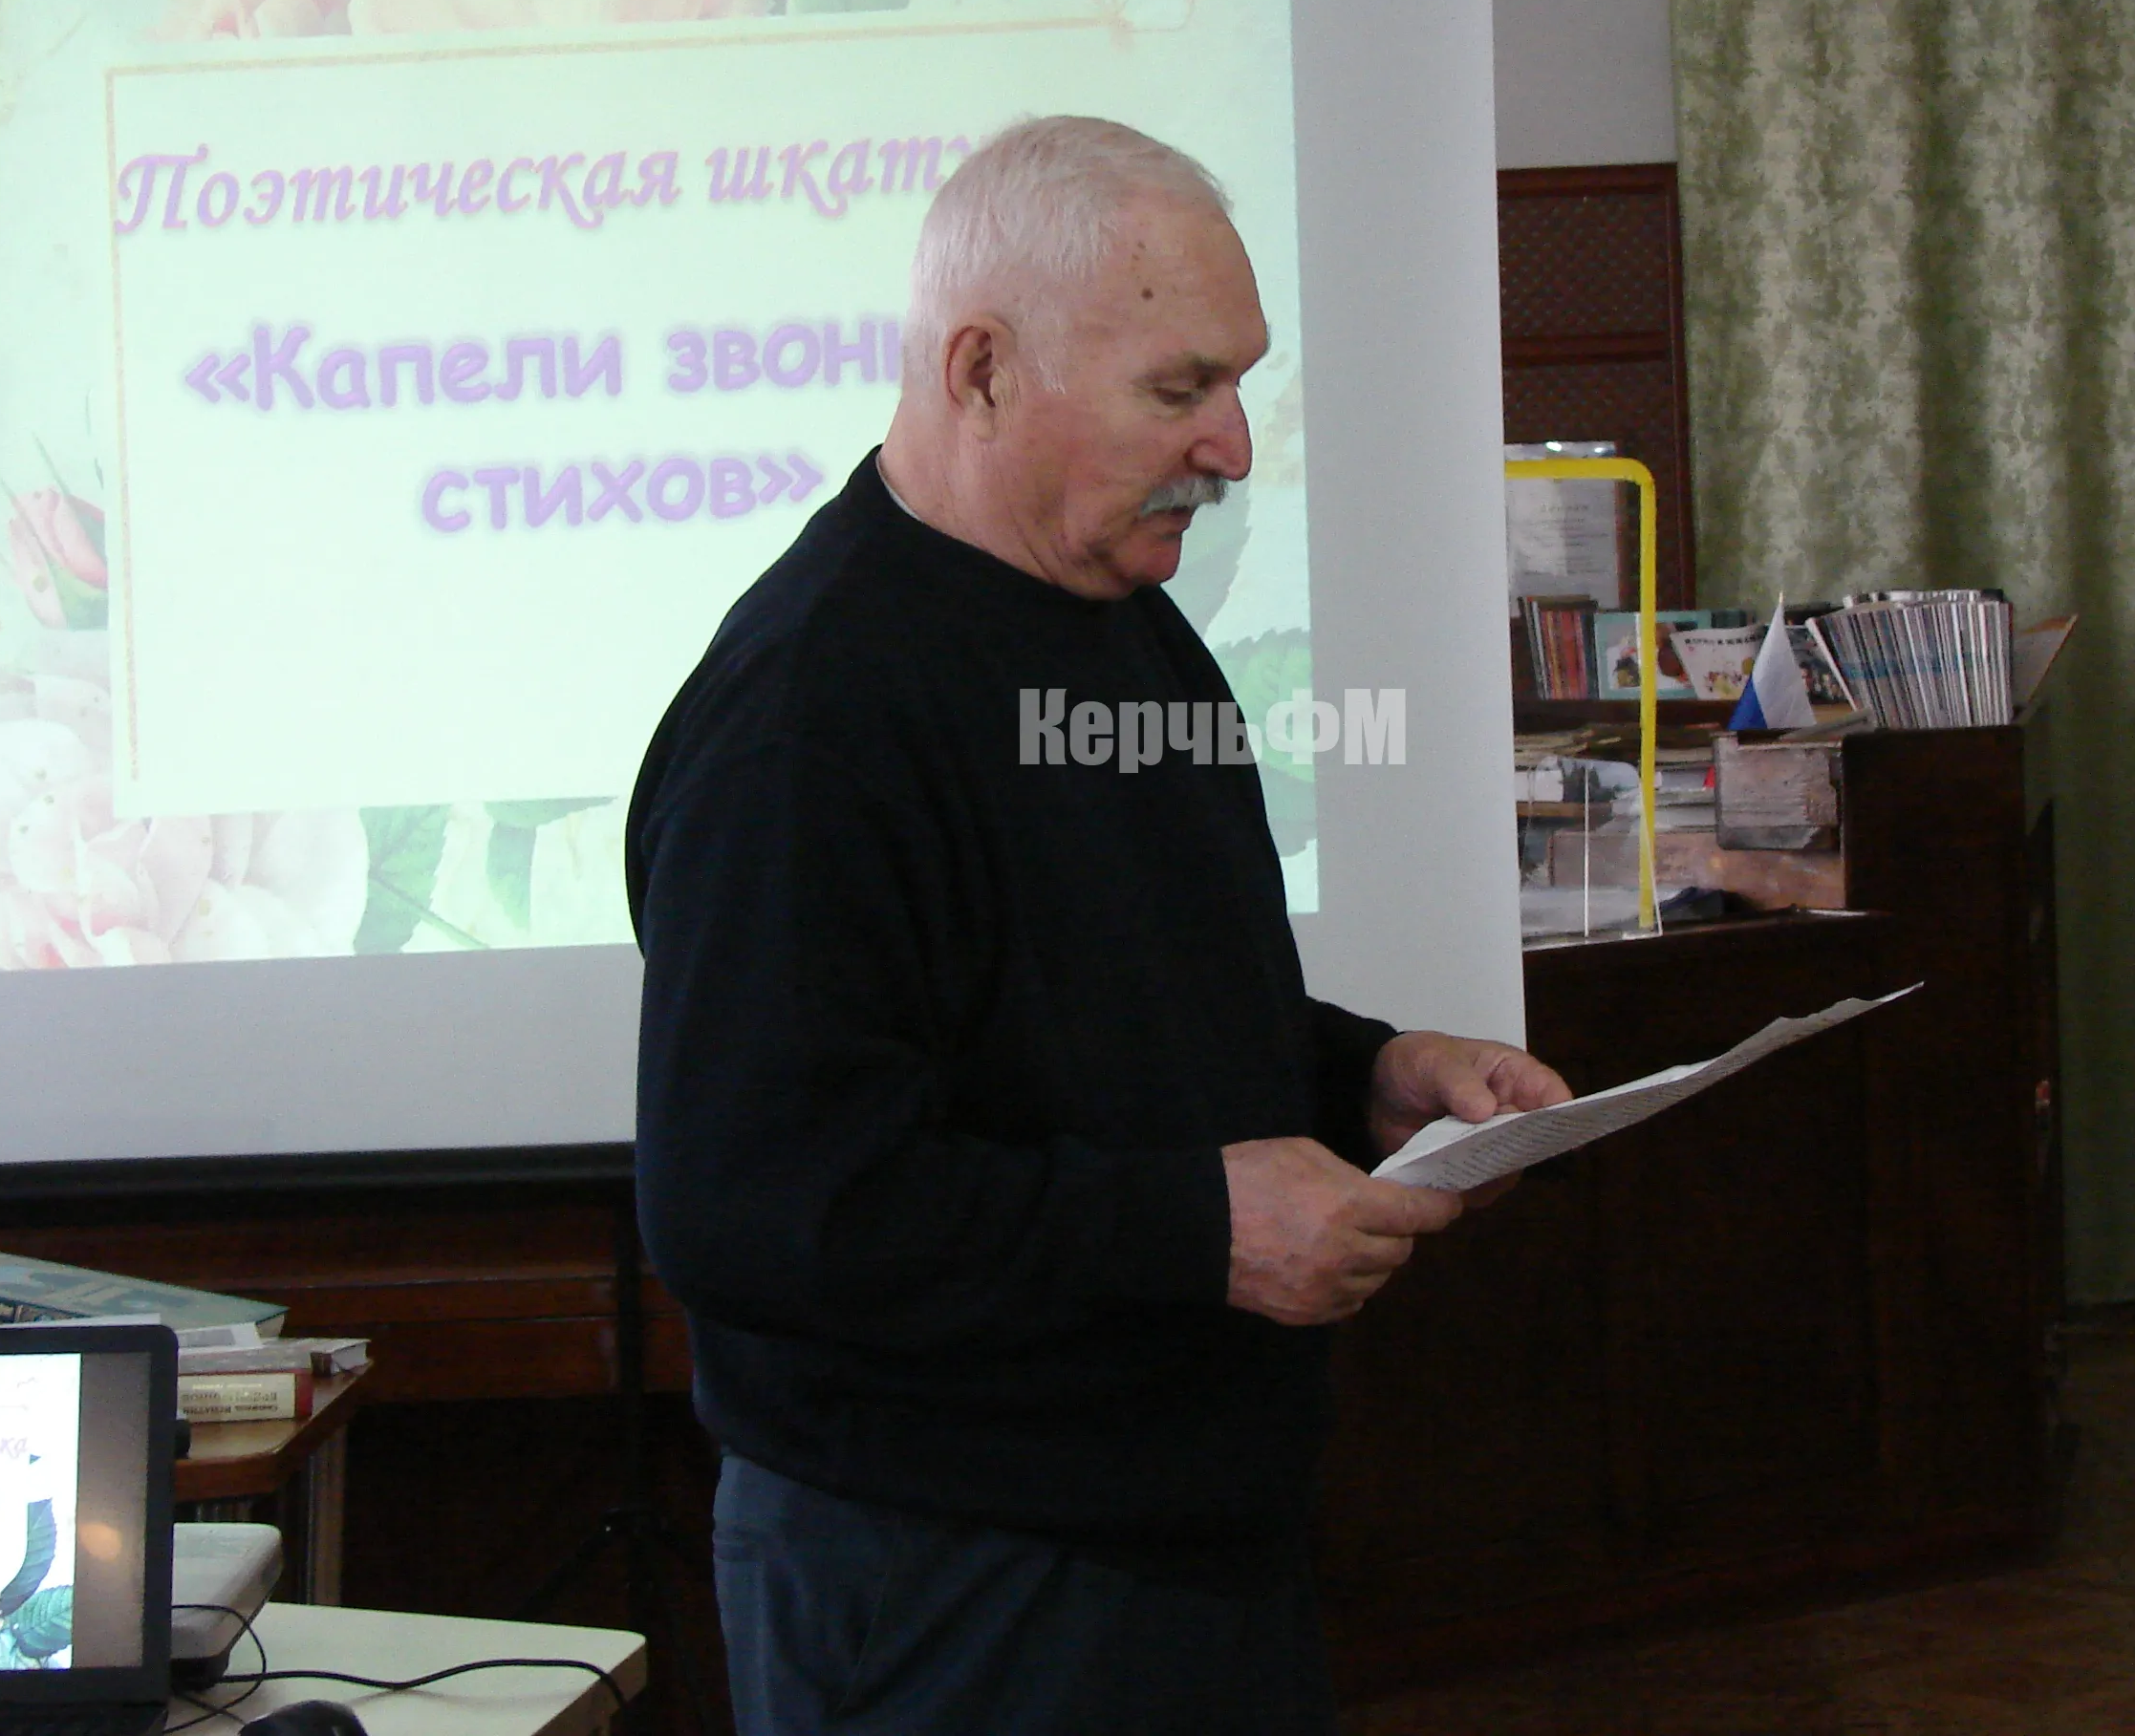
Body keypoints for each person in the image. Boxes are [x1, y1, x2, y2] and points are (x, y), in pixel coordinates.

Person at [629, 116, 1570, 1735]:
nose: (1234, 447)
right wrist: (1194, 1228)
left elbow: (1114, 998)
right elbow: (752, 1205)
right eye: (1178, 388)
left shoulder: (1118, 615)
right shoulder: (806, 720)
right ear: (982, 371)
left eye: (1239, 384)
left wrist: (1366, 1072)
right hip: (948, 1579)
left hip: (1174, 1536)